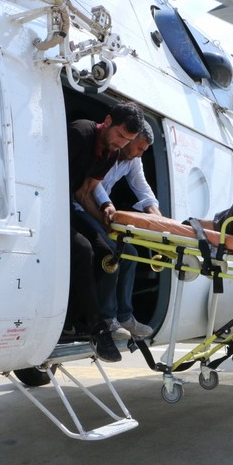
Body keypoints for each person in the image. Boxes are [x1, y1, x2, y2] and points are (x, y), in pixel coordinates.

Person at [67, 101, 145, 362]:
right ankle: (97, 328)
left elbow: (84, 192)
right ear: (108, 121)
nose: (121, 144)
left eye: (127, 141)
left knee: (108, 254)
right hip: (50, 204)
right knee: (83, 250)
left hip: (69, 204)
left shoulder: (111, 153)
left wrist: (105, 222)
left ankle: (70, 319)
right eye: (120, 135)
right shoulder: (80, 133)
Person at [74, 121, 158, 339]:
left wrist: (158, 219)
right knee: (112, 252)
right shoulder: (109, 150)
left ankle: (125, 316)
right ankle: (107, 318)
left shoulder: (133, 160)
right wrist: (107, 205)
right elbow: (93, 185)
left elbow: (142, 188)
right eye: (138, 148)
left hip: (103, 211)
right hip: (84, 206)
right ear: (129, 138)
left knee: (131, 254)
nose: (140, 154)